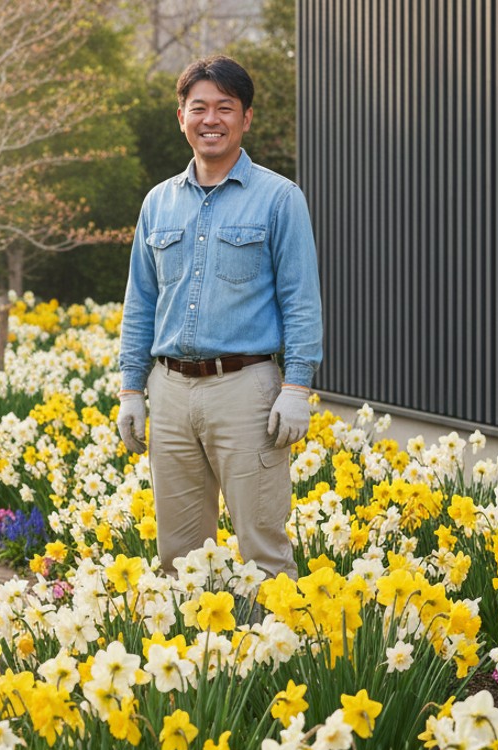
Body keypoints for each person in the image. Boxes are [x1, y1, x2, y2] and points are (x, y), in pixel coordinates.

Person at [117, 55, 322, 581]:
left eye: (224, 108)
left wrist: (296, 387)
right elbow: (140, 302)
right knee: (180, 555)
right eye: (199, 107)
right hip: (169, 392)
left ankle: (275, 662)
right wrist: (130, 390)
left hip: (247, 390)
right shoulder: (158, 204)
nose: (211, 119)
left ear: (246, 118)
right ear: (180, 116)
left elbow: (301, 300)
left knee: (263, 549)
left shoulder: (280, 199)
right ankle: (198, 662)